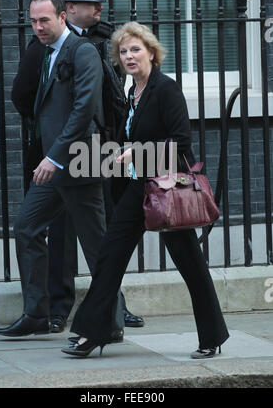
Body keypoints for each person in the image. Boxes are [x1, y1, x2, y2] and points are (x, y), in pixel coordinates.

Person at [61, 22, 230, 359]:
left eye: (135, 49)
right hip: (139, 187)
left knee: (190, 264)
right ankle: (94, 333)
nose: (128, 56)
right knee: (110, 256)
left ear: (152, 53)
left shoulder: (166, 89)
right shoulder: (131, 91)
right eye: (123, 52)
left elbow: (181, 141)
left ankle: (212, 337)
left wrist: (136, 152)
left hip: (167, 189)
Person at [10, 0, 144, 334]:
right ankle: (55, 308)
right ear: (67, 6)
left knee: (100, 234)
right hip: (61, 152)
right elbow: (24, 97)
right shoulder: (42, 46)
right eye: (89, 2)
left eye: (97, 2)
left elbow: (118, 97)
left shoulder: (103, 40)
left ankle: (112, 311)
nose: (98, 8)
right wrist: (51, 138)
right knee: (61, 234)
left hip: (101, 152)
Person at [0, 0, 111, 338]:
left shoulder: (82, 51)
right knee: (27, 226)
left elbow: (85, 109)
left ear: (62, 16)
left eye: (44, 19)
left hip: (82, 159)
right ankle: (37, 314)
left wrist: (53, 156)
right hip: (57, 163)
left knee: (97, 246)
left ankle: (111, 320)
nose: (38, 27)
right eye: (33, 21)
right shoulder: (46, 53)